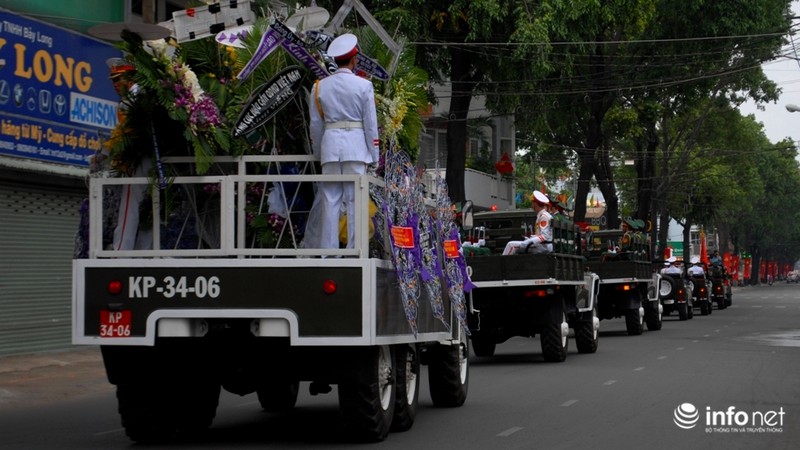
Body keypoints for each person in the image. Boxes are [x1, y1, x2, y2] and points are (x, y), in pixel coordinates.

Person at [309, 33, 380, 249]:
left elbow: (316, 125)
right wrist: (374, 156)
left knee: (330, 201)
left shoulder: (320, 86)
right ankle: (355, 250)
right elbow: (370, 125)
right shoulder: (363, 86)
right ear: (354, 59)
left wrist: (319, 153)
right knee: (355, 200)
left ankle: (328, 253)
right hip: (356, 148)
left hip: (330, 147)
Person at [107, 57, 153, 251]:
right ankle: (145, 252)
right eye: (113, 80)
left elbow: (127, 133)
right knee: (150, 207)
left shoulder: (133, 99)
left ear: (131, 77)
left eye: (119, 79)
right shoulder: (139, 95)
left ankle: (120, 252)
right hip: (151, 157)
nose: (115, 84)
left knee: (130, 206)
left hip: (140, 156)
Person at [503, 190, 553, 255]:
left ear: (535, 204)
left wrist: (529, 241)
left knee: (511, 245)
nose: (532, 205)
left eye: (532, 203)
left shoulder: (544, 216)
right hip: (543, 245)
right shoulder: (543, 215)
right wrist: (532, 238)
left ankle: (502, 264)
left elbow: (544, 236)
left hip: (543, 246)